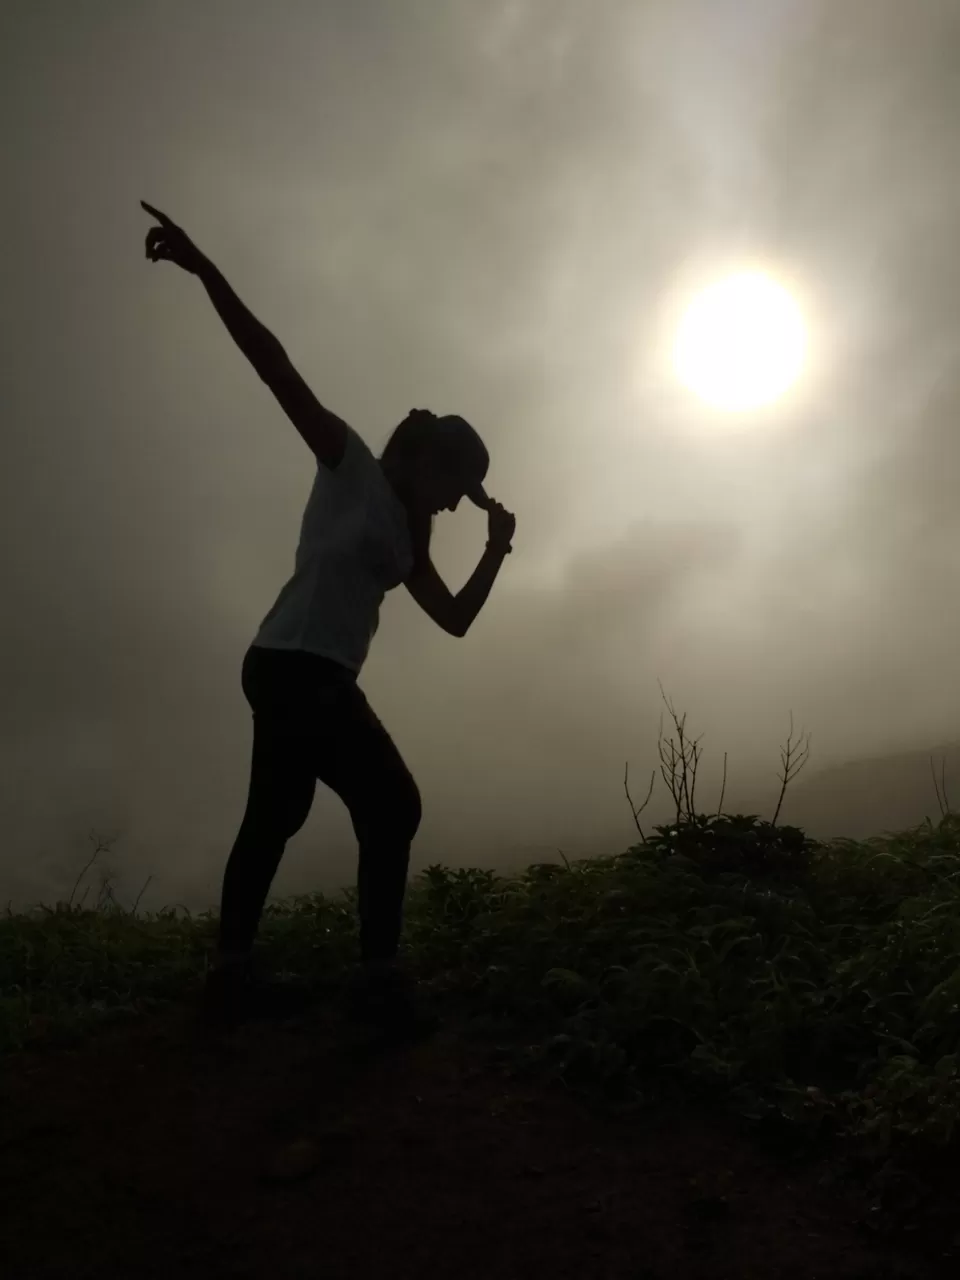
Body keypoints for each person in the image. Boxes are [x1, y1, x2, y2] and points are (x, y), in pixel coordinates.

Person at [140, 201, 516, 1037]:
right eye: (454, 487)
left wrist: (497, 550)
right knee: (393, 806)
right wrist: (205, 270)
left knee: (277, 816)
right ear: (424, 458)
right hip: (297, 665)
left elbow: (455, 620)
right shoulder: (351, 466)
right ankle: (375, 986)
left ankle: (231, 979)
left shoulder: (406, 538)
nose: (453, 505)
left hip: (295, 668)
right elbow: (273, 365)